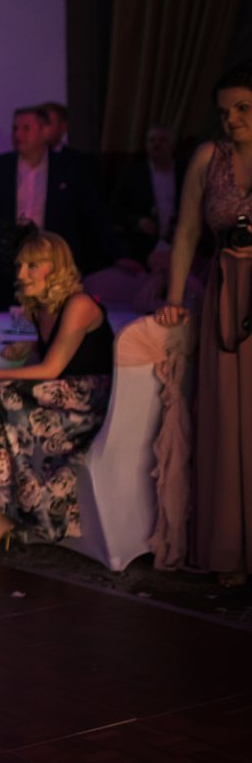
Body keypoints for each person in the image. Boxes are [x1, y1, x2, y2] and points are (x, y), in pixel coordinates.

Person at [0, 232, 113, 554]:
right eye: (20, 266)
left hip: (86, 403)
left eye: (33, 266)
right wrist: (30, 344)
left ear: (57, 267)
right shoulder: (40, 308)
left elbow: (51, 370)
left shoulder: (79, 304)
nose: (21, 274)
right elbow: (59, 355)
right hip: (59, 396)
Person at [156, 66, 252, 585]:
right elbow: (188, 229)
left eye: (243, 108)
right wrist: (174, 297)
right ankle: (230, 551)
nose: (232, 119)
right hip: (226, 290)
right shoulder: (207, 158)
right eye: (224, 111)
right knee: (227, 416)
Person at [0, 106, 123, 311]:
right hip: (8, 264)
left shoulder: (70, 167)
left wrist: (118, 255)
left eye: (26, 128)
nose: (18, 134)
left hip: (53, 262)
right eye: (15, 128)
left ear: (45, 131)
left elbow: (93, 214)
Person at [113, 123, 190, 264]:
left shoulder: (186, 171)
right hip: (144, 248)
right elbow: (116, 209)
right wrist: (138, 221)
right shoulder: (133, 174)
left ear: (173, 145)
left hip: (183, 245)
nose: (156, 144)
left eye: (162, 140)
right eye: (152, 140)